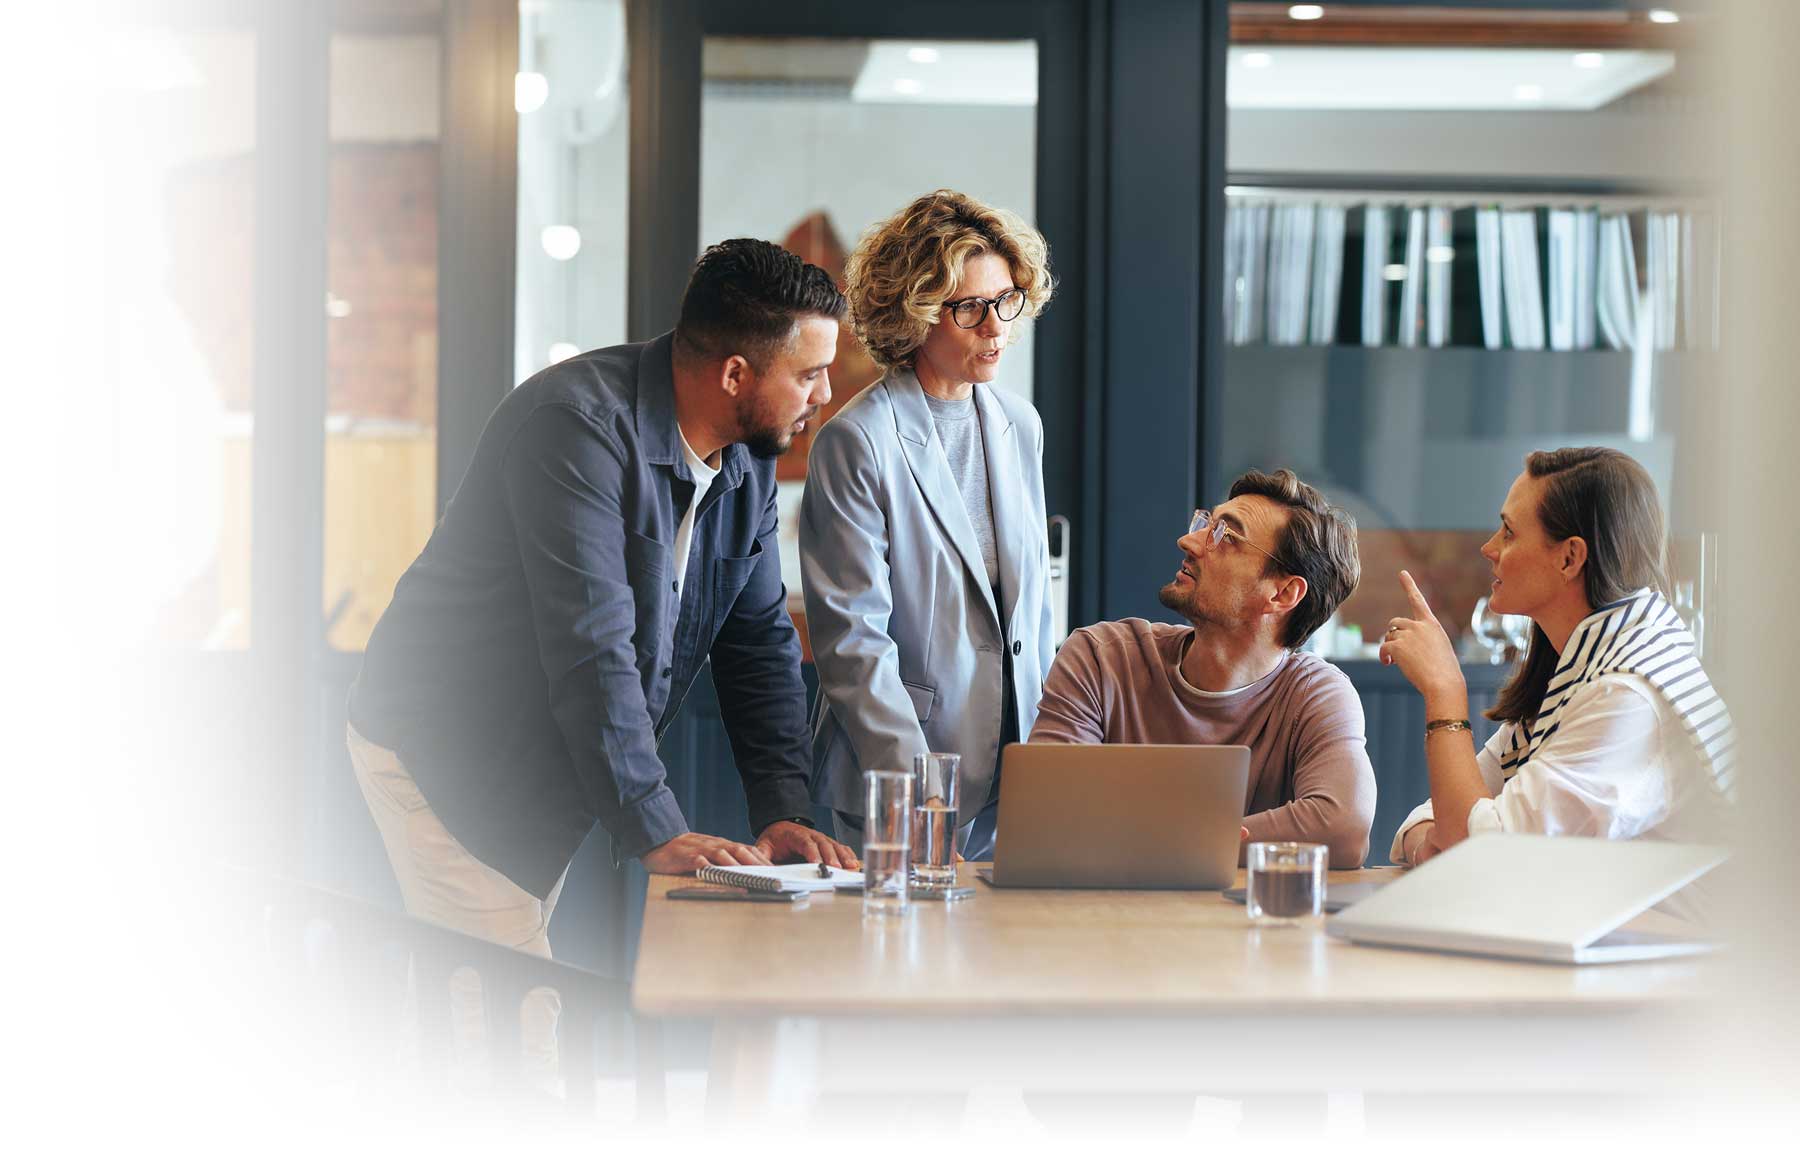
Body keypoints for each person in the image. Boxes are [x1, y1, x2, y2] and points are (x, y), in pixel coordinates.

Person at [347, 238, 860, 990]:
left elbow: (759, 643)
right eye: (811, 374)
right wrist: (660, 828)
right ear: (735, 374)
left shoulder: (745, 460)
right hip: (444, 752)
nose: (825, 395)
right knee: (507, 1027)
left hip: (542, 754)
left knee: (474, 1000)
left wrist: (779, 809)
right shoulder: (574, 431)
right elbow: (594, 648)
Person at [800, 190, 1056, 859]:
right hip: (901, 780)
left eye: (1005, 300)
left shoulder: (1018, 424)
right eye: (969, 307)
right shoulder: (857, 440)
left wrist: (1054, 752)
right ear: (913, 314)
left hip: (1017, 779)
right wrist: (921, 791)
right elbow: (853, 643)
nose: (995, 326)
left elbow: (1033, 612)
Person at [1380, 447, 1734, 868]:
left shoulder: (1626, 697)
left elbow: (1482, 855)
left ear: (1569, 558)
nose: (1488, 548)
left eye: (1508, 532)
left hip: (1666, 934)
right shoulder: (1579, 667)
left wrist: (1444, 689)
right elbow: (1442, 819)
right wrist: (1429, 840)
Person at [1030, 468, 1376, 869]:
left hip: (1250, 928)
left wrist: (1152, 841)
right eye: (1204, 524)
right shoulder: (1101, 657)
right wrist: (1205, 842)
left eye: (1225, 537)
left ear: (1283, 593)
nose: (1189, 541)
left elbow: (1344, 828)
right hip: (1105, 921)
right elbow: (1047, 817)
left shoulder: (1316, 695)